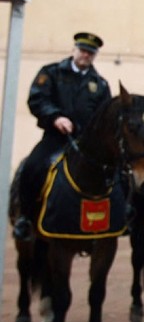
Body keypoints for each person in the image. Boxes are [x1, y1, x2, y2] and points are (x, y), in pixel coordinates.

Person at [13, 32, 112, 240]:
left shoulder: (100, 84)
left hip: (85, 144)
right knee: (32, 167)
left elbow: (105, 115)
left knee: (114, 173)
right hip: (56, 137)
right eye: (83, 50)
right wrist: (56, 117)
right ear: (74, 49)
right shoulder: (52, 73)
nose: (86, 55)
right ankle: (26, 218)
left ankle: (115, 219)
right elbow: (37, 99)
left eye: (90, 52)